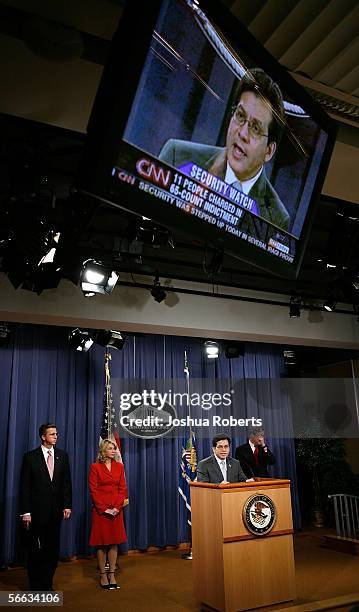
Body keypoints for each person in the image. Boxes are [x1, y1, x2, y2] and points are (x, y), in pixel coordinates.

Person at [159, 68, 289, 231]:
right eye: (240, 116)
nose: (242, 133)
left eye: (255, 128)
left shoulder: (276, 217)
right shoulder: (177, 156)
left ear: (269, 151)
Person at [19, 423, 72, 591]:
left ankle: (47, 582)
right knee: (35, 549)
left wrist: (67, 505)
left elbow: (66, 484)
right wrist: (26, 512)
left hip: (56, 512)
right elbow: (25, 487)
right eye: (52, 434)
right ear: (43, 436)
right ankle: (35, 584)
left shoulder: (62, 456)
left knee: (52, 549)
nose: (56, 436)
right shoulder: (30, 457)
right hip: (36, 513)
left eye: (56, 433)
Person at [89, 439, 127, 590]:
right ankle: (103, 575)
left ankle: (112, 574)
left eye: (114, 448)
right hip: (101, 511)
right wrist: (104, 509)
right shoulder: (95, 467)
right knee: (102, 543)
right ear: (103, 451)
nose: (113, 451)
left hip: (116, 509)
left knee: (114, 542)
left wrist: (117, 507)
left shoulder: (119, 467)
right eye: (110, 448)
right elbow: (93, 490)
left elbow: (122, 489)